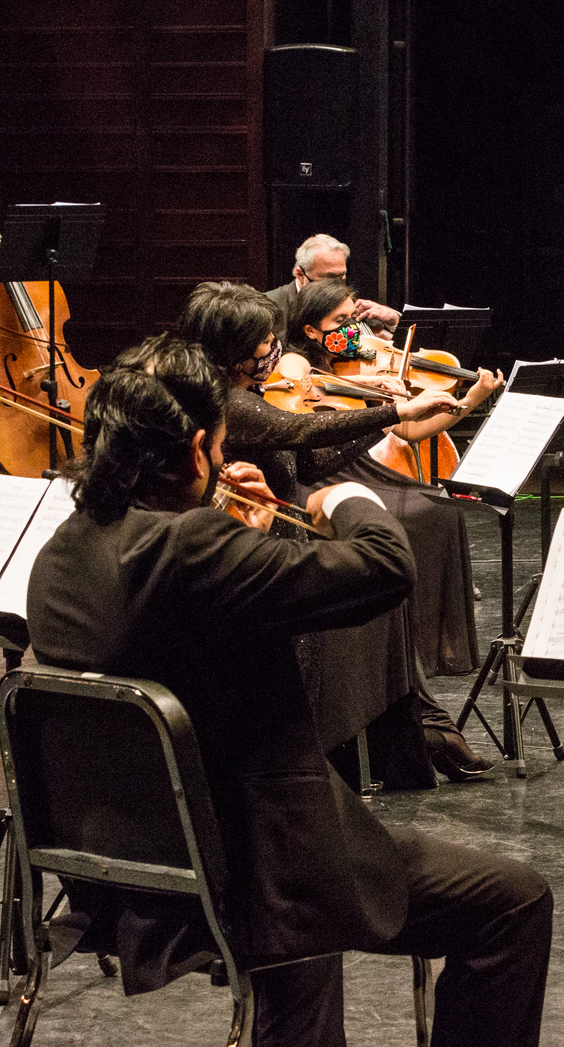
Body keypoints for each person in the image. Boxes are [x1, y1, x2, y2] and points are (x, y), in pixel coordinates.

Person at [26, 337, 551, 1047]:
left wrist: (243, 535)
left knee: (309, 814)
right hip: (254, 871)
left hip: (130, 873)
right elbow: (385, 567)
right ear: (196, 450)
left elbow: (188, 625)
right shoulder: (193, 547)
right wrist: (342, 495)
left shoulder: (64, 552)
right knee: (514, 901)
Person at [179, 281, 495, 781]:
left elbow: (307, 463)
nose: (274, 351)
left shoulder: (248, 393)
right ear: (234, 353)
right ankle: (408, 730)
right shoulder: (221, 403)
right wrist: (392, 410)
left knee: (383, 591)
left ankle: (416, 728)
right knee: (373, 587)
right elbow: (297, 431)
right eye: (264, 343)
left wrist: (378, 424)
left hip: (288, 543)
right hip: (262, 561)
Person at [279, 277, 503, 677]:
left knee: (441, 510)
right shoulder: (293, 360)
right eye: (340, 320)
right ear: (311, 329)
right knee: (408, 517)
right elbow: (305, 382)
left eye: (355, 318)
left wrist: (471, 398)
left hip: (361, 465)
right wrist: (366, 384)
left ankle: (425, 647)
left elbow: (410, 430)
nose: (354, 331)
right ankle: (391, 651)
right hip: (322, 473)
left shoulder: (356, 360)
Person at [268, 233, 399, 336]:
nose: (337, 286)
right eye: (329, 278)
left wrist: (393, 319)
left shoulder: (349, 303)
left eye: (342, 275)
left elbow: (389, 337)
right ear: (300, 275)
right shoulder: (269, 306)